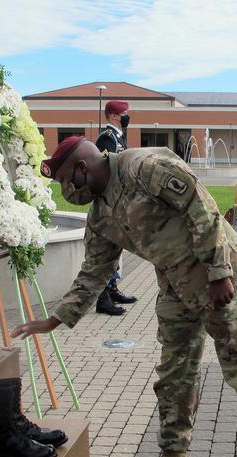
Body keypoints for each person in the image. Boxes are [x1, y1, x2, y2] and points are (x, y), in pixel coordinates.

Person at [10, 136, 237, 457]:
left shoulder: (143, 167)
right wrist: (57, 318)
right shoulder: (100, 214)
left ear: (82, 168)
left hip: (220, 281)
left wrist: (218, 270)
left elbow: (201, 208)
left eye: (67, 181)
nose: (67, 191)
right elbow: (95, 270)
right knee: (174, 374)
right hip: (177, 288)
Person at [93, 100, 138, 316]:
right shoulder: (106, 138)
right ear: (113, 116)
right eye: (124, 114)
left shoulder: (118, 137)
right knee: (106, 248)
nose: (127, 117)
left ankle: (112, 289)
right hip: (109, 201)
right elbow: (106, 168)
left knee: (116, 246)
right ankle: (102, 299)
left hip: (119, 200)